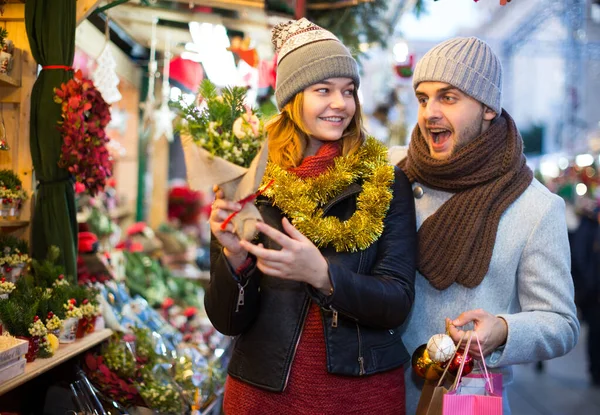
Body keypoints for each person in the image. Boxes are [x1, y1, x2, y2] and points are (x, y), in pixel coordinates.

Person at [206, 18, 417, 414]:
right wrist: (233, 259)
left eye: (348, 91)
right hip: (262, 394)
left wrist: (323, 275)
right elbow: (227, 322)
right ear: (291, 98)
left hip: (360, 396)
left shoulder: (386, 181)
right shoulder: (247, 176)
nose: (341, 104)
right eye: (324, 90)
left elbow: (397, 301)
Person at [391, 37, 580, 414]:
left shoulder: (536, 207)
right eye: (424, 98)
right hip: (374, 393)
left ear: (488, 107)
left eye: (448, 97)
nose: (430, 112)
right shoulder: (391, 171)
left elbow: (561, 323)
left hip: (466, 400)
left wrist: (504, 330)